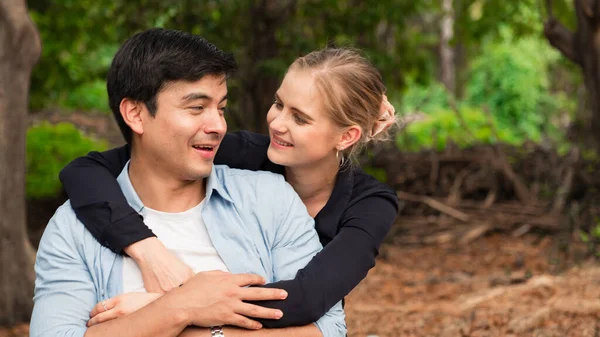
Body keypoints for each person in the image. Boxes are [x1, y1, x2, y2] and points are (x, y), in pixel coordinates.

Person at [59, 41, 400, 328]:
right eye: (279, 104)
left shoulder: (370, 204)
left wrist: (162, 312)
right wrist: (146, 247)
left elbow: (308, 300)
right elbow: (85, 171)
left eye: (299, 118)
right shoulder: (246, 154)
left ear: (346, 136)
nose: (277, 124)